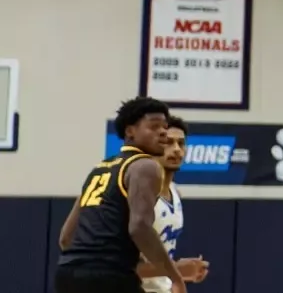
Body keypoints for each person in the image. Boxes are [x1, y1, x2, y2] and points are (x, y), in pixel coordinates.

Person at [56, 97, 188, 293]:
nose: (162, 132)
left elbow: (66, 238)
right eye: (154, 127)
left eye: (164, 127)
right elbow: (139, 227)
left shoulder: (100, 169)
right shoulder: (145, 166)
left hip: (68, 274)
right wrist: (176, 277)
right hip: (109, 276)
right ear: (130, 131)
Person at [139, 116, 208, 293]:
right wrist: (177, 268)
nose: (176, 149)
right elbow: (120, 268)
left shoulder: (175, 192)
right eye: (168, 142)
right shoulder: (139, 195)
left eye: (181, 143)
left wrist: (180, 276)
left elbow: (160, 263)